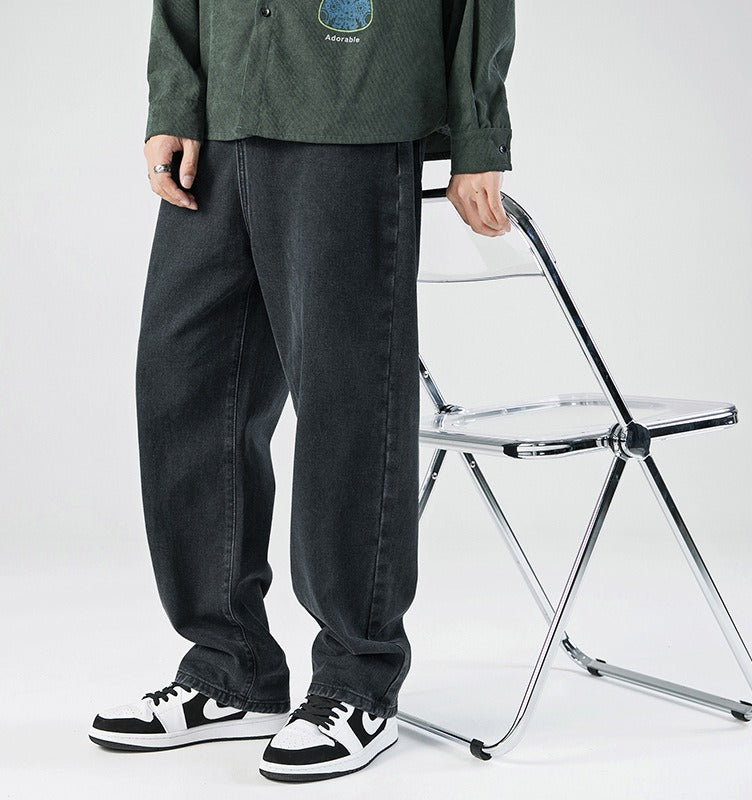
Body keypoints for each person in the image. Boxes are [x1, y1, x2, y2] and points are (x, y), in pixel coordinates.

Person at [88, 0, 516, 782]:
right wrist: (175, 100)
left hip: (353, 101)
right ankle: (231, 669)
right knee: (183, 384)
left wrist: (478, 133)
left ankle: (358, 681)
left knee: (346, 399)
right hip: (223, 112)